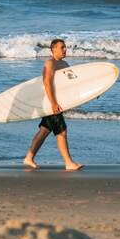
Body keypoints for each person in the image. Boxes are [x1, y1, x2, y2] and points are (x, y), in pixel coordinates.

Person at [23, 39, 84, 171]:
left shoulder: (64, 64)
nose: (65, 49)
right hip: (51, 103)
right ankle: (68, 163)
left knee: (44, 130)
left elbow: (73, 84)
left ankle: (29, 158)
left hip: (57, 103)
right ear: (53, 50)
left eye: (65, 47)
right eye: (62, 47)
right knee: (61, 131)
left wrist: (92, 92)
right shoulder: (50, 64)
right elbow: (46, 83)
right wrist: (53, 104)